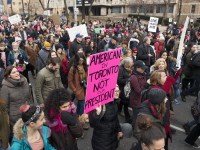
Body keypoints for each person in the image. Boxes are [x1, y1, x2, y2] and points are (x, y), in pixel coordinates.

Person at [89, 85, 123, 150]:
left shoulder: (115, 102)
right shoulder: (100, 104)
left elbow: (115, 119)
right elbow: (92, 124)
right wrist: (97, 113)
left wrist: (119, 130)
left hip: (112, 139)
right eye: (114, 91)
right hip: (102, 142)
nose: (117, 93)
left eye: (118, 90)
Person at [117, 57, 133, 123]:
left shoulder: (130, 68)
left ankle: (119, 110)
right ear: (126, 64)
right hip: (122, 88)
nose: (130, 66)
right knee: (125, 101)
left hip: (128, 88)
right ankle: (127, 117)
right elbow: (119, 80)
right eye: (129, 65)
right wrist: (128, 80)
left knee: (123, 101)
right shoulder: (120, 69)